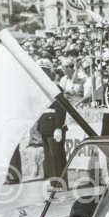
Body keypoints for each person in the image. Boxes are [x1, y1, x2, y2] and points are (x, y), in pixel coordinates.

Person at [37, 59, 67, 188]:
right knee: (49, 158)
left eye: (45, 70)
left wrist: (58, 127)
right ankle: (54, 184)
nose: (43, 73)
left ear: (50, 72)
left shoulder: (55, 87)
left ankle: (60, 185)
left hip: (54, 124)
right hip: (45, 125)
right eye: (40, 70)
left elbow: (61, 107)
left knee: (57, 157)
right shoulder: (39, 87)